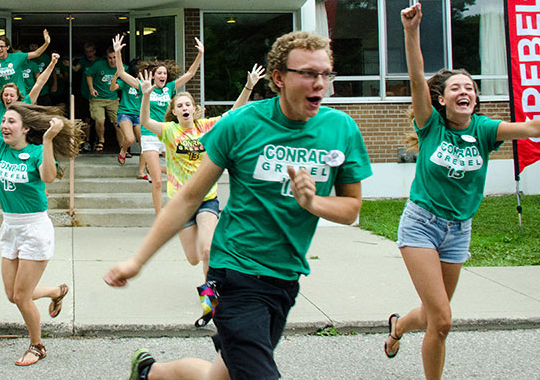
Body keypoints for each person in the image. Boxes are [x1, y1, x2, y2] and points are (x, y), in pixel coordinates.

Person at [105, 31, 373, 380]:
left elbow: (352, 208)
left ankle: (149, 372)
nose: (319, 83)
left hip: (285, 278)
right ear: (279, 78)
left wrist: (312, 201)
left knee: (222, 375)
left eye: (326, 74)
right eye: (308, 73)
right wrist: (137, 260)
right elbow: (187, 197)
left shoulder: (341, 129)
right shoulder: (242, 125)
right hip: (234, 273)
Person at [383, 3, 540, 380]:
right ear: (442, 99)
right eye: (456, 88)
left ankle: (398, 326)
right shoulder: (430, 124)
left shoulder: (483, 130)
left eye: (471, 88)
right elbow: (417, 80)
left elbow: (533, 128)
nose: (466, 92)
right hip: (421, 226)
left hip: (458, 230)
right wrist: (410, 33)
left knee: (433, 315)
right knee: (443, 320)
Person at [0, 59, 84, 367]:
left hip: (35, 229)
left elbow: (48, 177)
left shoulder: (35, 151)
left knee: (21, 297)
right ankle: (56, 291)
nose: (4, 125)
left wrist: (47, 141)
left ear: (25, 128)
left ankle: (37, 345)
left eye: (11, 122)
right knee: (13, 294)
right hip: (10, 227)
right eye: (4, 120)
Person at [138, 64, 265, 281]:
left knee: (207, 250)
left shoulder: (205, 127)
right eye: (180, 105)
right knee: (194, 257)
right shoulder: (169, 131)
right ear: (175, 111)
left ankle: (210, 292)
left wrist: (248, 86)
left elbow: (233, 113)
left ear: (193, 108)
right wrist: (146, 96)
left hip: (206, 198)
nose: (185, 107)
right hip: (181, 202)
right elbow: (145, 122)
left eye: (188, 104)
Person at [112, 34, 204, 214]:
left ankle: (179, 203)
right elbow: (122, 73)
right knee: (157, 181)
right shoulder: (144, 86)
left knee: (177, 172)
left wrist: (200, 54)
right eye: (159, 73)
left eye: (164, 73)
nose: (162, 75)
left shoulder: (169, 88)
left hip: (167, 133)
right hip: (148, 135)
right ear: (153, 75)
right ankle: (159, 216)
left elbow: (191, 74)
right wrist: (118, 53)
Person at [0, 53, 61, 128]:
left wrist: (52, 64)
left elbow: (39, 83)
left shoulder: (25, 104)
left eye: (12, 95)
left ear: (17, 97)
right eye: (6, 95)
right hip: (4, 139)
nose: (8, 98)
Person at [85, 46, 122, 152]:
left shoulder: (122, 67)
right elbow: (88, 74)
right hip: (97, 99)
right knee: (100, 121)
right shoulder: (98, 65)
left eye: (115, 57)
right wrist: (91, 88)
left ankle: (123, 148)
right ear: (107, 57)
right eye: (110, 58)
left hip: (113, 99)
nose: (112, 60)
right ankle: (101, 140)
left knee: (118, 123)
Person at [109, 54, 144, 165]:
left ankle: (143, 168)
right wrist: (116, 76)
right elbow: (112, 87)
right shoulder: (126, 81)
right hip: (125, 113)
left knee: (144, 142)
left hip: (139, 115)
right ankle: (123, 150)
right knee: (129, 139)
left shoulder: (145, 83)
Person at [72, 41, 97, 151]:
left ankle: (96, 141)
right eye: (87, 52)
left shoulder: (101, 61)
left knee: (98, 119)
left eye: (91, 51)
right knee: (85, 119)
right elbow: (76, 69)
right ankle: (86, 142)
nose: (89, 54)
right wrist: (70, 64)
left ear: (95, 51)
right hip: (84, 93)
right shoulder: (83, 61)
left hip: (99, 94)